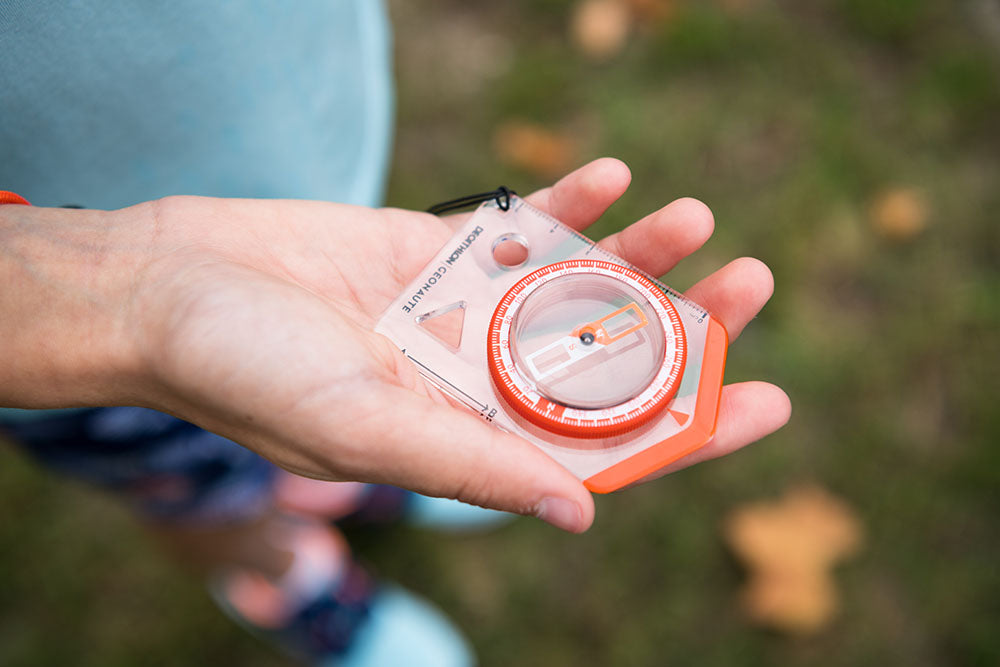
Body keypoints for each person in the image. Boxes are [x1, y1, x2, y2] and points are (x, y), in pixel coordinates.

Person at [0, 2, 792, 665]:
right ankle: (271, 568)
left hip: (295, 141)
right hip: (60, 308)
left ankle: (347, 480)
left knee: (344, 381)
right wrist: (109, 293)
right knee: (187, 481)